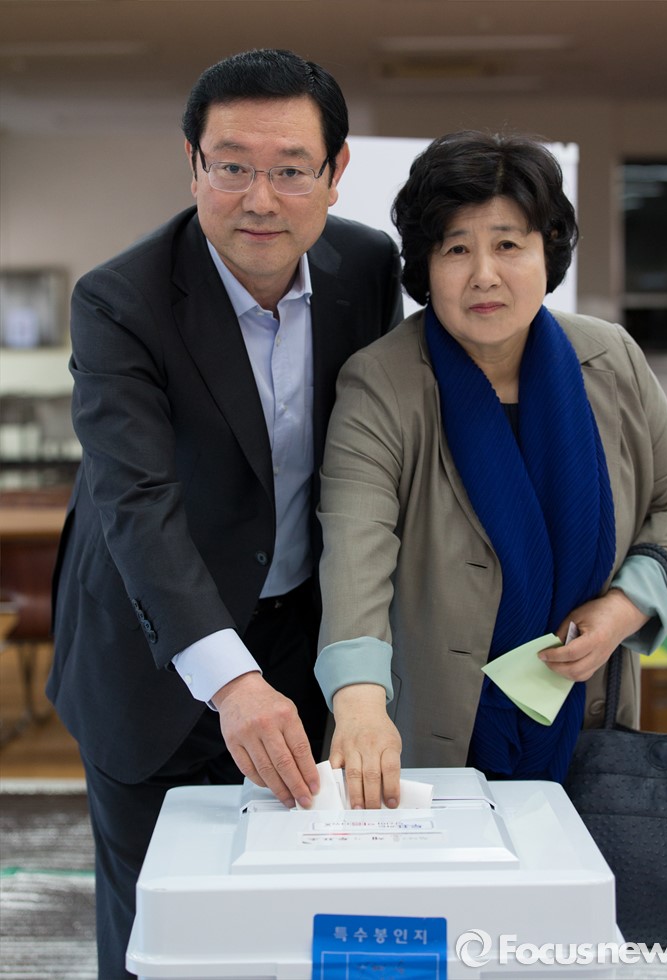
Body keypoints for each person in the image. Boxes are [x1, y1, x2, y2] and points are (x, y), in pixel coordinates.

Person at [47, 48, 402, 977]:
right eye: (232, 166)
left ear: (336, 170)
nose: (260, 199)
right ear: (193, 164)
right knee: (159, 931)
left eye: (291, 169)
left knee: (298, 911)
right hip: (154, 645)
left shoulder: (367, 268)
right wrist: (230, 681)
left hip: (298, 636)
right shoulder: (119, 300)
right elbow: (136, 502)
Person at [314, 130, 667, 810]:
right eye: (456, 249)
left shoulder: (610, 358)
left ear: (547, 252)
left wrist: (622, 610)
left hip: (590, 722)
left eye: (509, 244)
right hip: (429, 737)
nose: (484, 274)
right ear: (425, 265)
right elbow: (355, 553)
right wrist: (360, 702)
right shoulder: (382, 382)